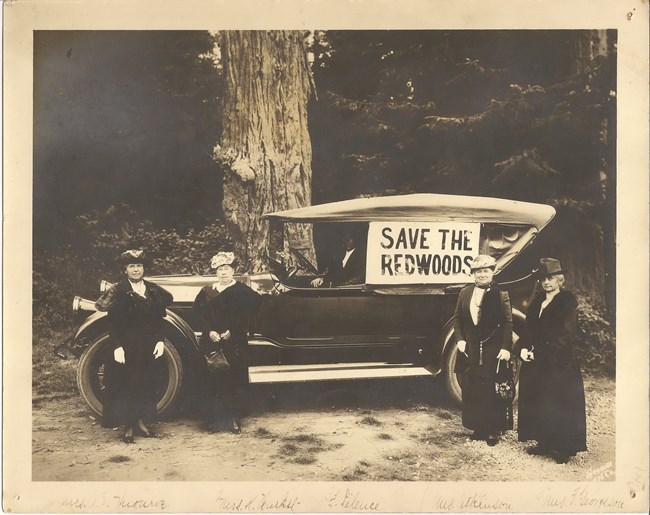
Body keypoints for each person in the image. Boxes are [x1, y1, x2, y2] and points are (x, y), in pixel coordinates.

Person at [95, 249, 173, 444]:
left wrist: (160, 341)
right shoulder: (118, 290)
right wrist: (117, 346)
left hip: (147, 346)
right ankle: (128, 426)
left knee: (145, 384)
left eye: (139, 266)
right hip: (126, 346)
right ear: (125, 270)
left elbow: (160, 319)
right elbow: (112, 323)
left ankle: (140, 422)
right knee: (125, 384)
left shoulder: (153, 290)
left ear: (144, 268)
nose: (136, 270)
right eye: (132, 266)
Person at [517, 258, 587, 464]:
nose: (546, 282)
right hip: (538, 361)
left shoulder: (566, 303)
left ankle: (564, 447)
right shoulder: (537, 303)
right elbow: (529, 330)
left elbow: (566, 335)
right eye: (543, 278)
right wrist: (522, 348)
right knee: (540, 399)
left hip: (559, 361)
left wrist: (542, 353)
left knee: (559, 401)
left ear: (560, 280)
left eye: (551, 278)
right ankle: (545, 442)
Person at [192, 252, 261, 433]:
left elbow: (250, 314)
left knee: (233, 380)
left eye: (227, 269)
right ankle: (212, 420)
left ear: (233, 271)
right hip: (212, 342)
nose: (223, 273)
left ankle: (232, 419)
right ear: (215, 272)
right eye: (220, 269)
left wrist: (234, 330)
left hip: (234, 343)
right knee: (212, 379)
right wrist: (210, 331)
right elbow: (198, 315)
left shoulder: (243, 292)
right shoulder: (207, 292)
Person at [453, 254, 513, 446]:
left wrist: (505, 347)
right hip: (470, 347)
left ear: (493, 272)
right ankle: (478, 427)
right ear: (473, 274)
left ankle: (493, 430)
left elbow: (507, 322)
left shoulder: (501, 295)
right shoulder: (465, 293)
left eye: (486, 271)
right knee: (473, 386)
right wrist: (460, 340)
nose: (482, 275)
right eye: (478, 271)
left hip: (493, 347)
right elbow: (457, 319)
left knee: (490, 386)